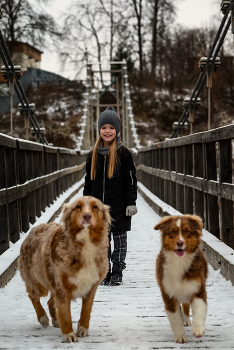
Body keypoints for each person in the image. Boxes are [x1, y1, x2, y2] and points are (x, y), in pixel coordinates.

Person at [83, 106, 138, 286]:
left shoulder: (124, 154)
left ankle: (117, 272)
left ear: (117, 130)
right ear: (99, 130)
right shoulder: (93, 155)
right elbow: (88, 183)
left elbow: (131, 181)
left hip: (120, 206)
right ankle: (105, 271)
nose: (108, 131)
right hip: (98, 209)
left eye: (112, 128)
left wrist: (131, 203)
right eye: (104, 127)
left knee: (120, 241)